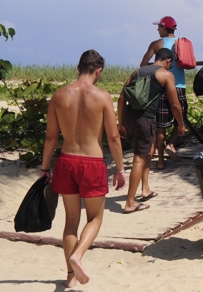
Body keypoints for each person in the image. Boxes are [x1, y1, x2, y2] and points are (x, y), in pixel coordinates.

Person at [40, 49, 126, 288]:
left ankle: (70, 277)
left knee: (70, 221)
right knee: (96, 217)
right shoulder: (102, 96)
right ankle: (78, 255)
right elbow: (113, 136)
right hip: (91, 163)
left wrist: (45, 168)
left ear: (78, 68)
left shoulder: (59, 96)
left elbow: (50, 137)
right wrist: (120, 168)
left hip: (66, 161)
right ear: (98, 71)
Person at [118, 48, 185, 214]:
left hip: (130, 116)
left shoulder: (137, 72)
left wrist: (121, 123)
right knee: (139, 158)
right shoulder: (166, 75)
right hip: (145, 119)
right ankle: (130, 202)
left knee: (150, 149)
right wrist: (180, 124)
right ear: (168, 61)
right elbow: (175, 104)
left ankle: (145, 188)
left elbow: (121, 98)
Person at [140, 16, 188, 169]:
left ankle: (160, 161)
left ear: (163, 27)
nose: (157, 30)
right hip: (179, 84)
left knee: (160, 125)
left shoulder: (156, 44)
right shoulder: (182, 42)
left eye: (159, 27)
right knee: (181, 117)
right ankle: (172, 144)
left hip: (160, 86)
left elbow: (143, 64)